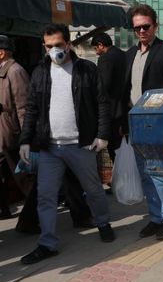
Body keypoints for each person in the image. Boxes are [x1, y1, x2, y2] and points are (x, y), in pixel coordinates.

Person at [18, 23, 115, 265]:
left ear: (69, 44)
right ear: (44, 46)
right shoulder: (39, 72)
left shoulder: (86, 70)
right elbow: (31, 109)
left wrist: (102, 135)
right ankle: (47, 243)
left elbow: (102, 103)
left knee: (93, 190)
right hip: (50, 147)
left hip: (80, 145)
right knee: (46, 197)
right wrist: (25, 141)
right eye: (49, 46)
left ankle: (103, 223)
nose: (54, 50)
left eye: (58, 45)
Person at [123, 4, 163, 241]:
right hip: (133, 124)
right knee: (145, 174)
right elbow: (124, 90)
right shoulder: (129, 55)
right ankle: (156, 217)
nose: (142, 31)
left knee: (160, 174)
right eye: (137, 28)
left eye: (146, 26)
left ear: (155, 26)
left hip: (156, 123)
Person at [0, 35, 29, 218]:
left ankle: (38, 210)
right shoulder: (3, 70)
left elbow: (23, 107)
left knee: (24, 177)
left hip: (12, 134)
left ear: (1, 53)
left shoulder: (15, 71)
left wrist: (26, 137)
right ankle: (4, 208)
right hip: (3, 133)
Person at [91, 32, 126, 161]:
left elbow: (103, 85)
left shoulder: (105, 58)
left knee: (113, 148)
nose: (96, 53)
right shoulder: (124, 55)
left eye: (95, 49)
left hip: (112, 110)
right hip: (125, 107)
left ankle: (118, 177)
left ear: (100, 45)